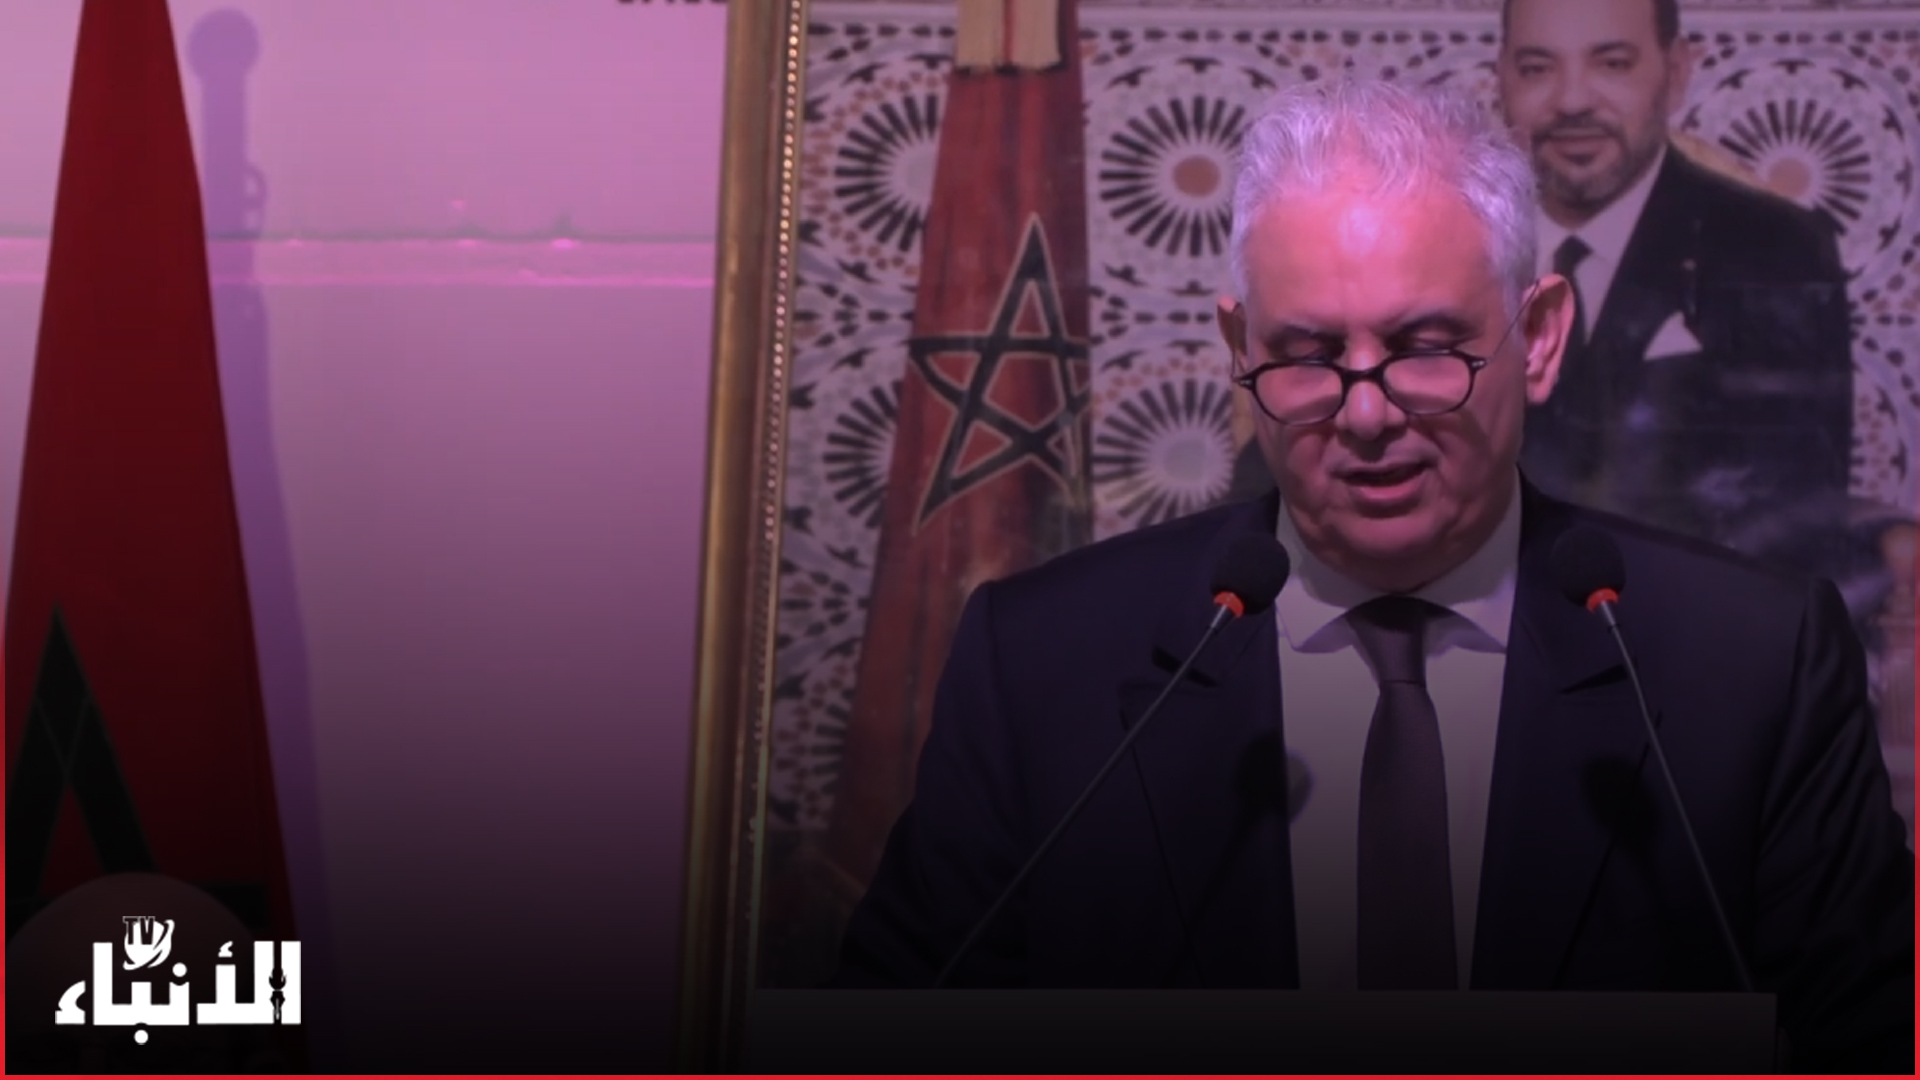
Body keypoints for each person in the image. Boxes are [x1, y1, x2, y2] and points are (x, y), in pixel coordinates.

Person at [827, 78, 1913, 1073]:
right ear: (1240, 352)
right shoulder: (1041, 666)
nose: (1364, 415)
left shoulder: (1752, 667)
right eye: (1306, 356)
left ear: (1539, 338)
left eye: (1425, 346)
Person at [1496, 0, 1856, 580]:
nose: (1572, 101)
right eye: (1537, 68)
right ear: (1501, 76)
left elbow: (1792, 523)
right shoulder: (1458, 241)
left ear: (1677, 70)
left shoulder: (1776, 251)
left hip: (1691, 617)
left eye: (1612, 63)